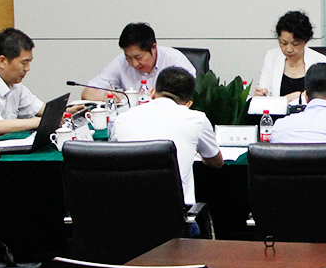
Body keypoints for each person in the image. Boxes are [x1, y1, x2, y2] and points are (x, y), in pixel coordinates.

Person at [110, 66, 223, 206]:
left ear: (152, 93)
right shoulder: (197, 119)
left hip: (128, 209)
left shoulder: (123, 118)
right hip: (176, 213)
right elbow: (216, 162)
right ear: (188, 104)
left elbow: (114, 159)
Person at [81, 22, 195, 101]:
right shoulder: (120, 62)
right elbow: (87, 93)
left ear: (153, 47)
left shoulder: (174, 59)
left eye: (138, 57)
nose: (134, 64)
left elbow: (189, 95)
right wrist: (106, 97)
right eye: (128, 57)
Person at [255, 10, 326, 101]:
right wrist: (262, 94)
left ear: (305, 41)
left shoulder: (320, 61)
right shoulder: (272, 56)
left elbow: (325, 96)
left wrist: (297, 97)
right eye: (284, 43)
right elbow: (264, 88)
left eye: (295, 44)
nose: (289, 49)